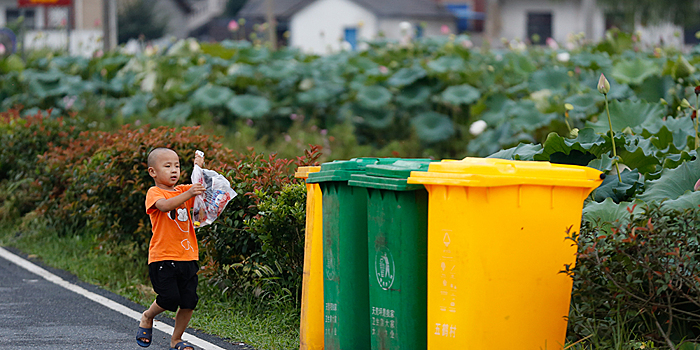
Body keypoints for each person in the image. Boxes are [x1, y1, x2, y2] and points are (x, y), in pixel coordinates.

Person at [137, 148, 205, 350]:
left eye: (177, 166)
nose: (174, 170)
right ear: (153, 172)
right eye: (167, 166)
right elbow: (165, 206)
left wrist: (199, 166)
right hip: (163, 257)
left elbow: (199, 197)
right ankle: (148, 316)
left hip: (188, 256)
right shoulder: (154, 193)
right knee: (169, 299)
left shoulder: (185, 190)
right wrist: (190, 193)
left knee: (189, 301)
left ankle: (176, 340)